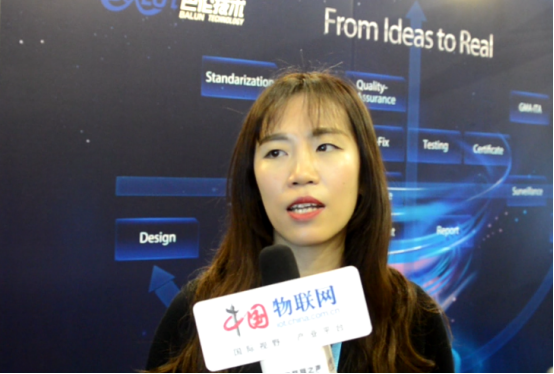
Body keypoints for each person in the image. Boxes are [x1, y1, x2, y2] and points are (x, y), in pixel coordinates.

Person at [146, 71, 454, 373]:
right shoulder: (197, 317)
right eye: (276, 152)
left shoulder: (414, 318)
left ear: (363, 173)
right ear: (253, 180)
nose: (301, 173)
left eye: (325, 147)